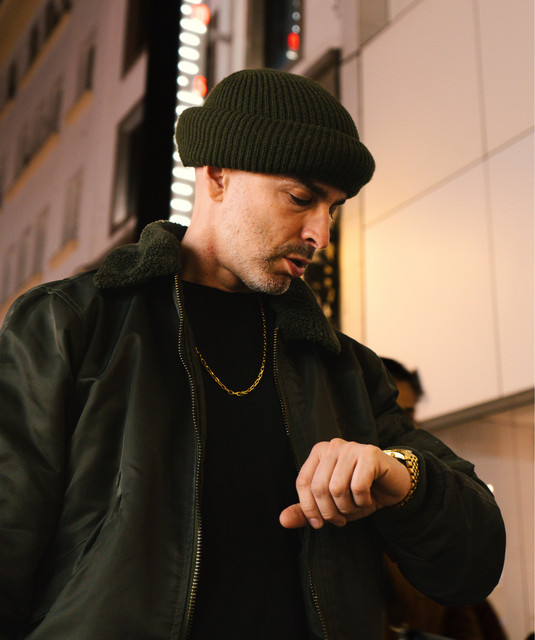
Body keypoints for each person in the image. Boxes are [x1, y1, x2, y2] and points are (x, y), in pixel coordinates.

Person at [0, 69, 505, 640]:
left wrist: (400, 475)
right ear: (218, 175)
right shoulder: (70, 325)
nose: (320, 234)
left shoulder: (344, 370)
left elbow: (475, 561)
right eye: (301, 198)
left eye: (334, 208)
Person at [380, 357, 508, 640]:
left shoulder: (430, 496)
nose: (400, 428)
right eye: (389, 414)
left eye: (407, 415)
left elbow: (463, 616)